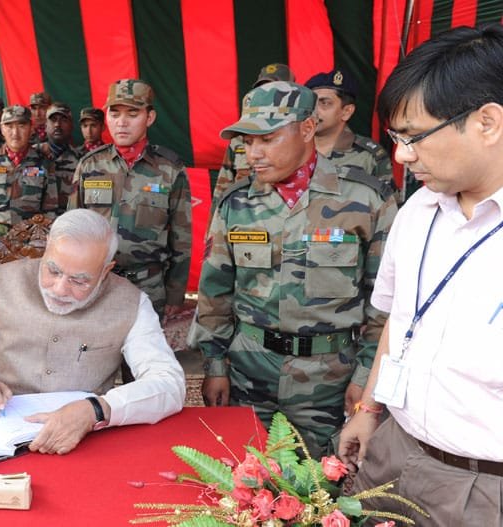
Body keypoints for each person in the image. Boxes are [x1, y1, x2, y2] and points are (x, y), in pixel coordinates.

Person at [338, 25, 503, 524]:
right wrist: (369, 411)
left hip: (482, 485)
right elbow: (401, 319)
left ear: (488, 122)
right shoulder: (417, 211)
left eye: (414, 137)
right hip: (394, 450)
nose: (402, 156)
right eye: (396, 137)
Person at [194, 81, 397, 458]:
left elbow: (384, 301)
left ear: (306, 128)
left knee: (326, 486)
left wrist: (367, 376)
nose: (253, 153)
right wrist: (215, 364)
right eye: (247, 141)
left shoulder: (365, 199)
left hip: (329, 379)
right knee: (241, 481)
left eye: (267, 139)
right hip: (248, 371)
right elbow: (215, 292)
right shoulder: (235, 204)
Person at [0, 209, 185, 455]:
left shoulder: (131, 302)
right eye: (53, 270)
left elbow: (169, 383)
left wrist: (97, 410)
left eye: (78, 281)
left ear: (106, 269)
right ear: (47, 248)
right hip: (2, 435)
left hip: (86, 443)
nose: (59, 289)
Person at [70, 79, 192, 321]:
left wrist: (175, 293)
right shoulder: (90, 165)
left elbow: (181, 236)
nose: (121, 122)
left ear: (150, 117)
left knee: (142, 355)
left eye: (133, 113)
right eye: (114, 114)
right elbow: (72, 228)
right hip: (97, 283)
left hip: (148, 287)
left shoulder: (169, 169)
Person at [0, 105, 58, 266]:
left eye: (21, 126)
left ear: (31, 128)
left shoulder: (43, 162)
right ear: (2, 129)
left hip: (31, 240)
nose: (15, 132)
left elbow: (50, 206)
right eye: (9, 126)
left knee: (26, 288)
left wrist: (46, 241)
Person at [211, 64, 295, 219]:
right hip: (247, 218)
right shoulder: (238, 138)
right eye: (262, 89)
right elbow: (223, 187)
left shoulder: (303, 137)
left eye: (275, 89)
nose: (266, 95)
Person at [305, 69, 397, 201]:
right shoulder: (293, 149)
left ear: (347, 111)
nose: (315, 111)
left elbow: (388, 205)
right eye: (312, 104)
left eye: (324, 103)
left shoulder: (371, 156)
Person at [41, 102, 80, 214]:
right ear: (45, 126)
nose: (57, 124)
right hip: (34, 227)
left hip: (68, 227)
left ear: (71, 126)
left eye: (63, 120)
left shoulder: (82, 161)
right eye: (53, 120)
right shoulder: (32, 156)